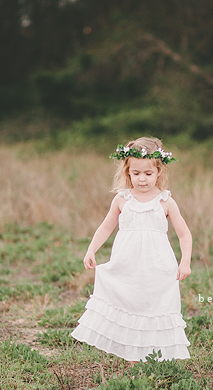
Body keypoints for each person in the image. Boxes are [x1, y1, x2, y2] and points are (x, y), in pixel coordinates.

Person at [70, 136, 192, 362]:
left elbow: (184, 233)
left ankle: (153, 356)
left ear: (159, 172)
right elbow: (106, 227)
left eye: (148, 174)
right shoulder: (122, 199)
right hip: (127, 265)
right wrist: (91, 249)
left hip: (157, 267)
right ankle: (132, 357)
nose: (142, 179)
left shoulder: (165, 201)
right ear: (128, 172)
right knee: (130, 303)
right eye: (136, 174)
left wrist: (185, 261)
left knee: (153, 307)